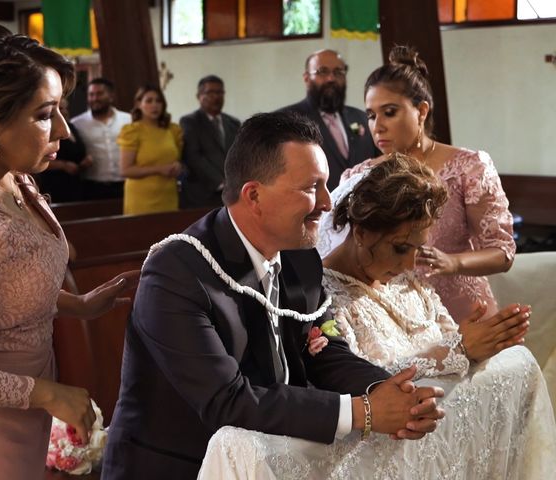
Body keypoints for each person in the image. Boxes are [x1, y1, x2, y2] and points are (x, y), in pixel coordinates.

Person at [102, 112, 445, 480]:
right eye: (312, 187)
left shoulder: (301, 258)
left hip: (272, 459)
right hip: (181, 468)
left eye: (326, 185)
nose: (327, 203)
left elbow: (326, 352)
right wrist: (364, 412)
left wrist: (389, 392)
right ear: (254, 195)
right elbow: (227, 400)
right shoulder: (176, 272)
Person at [0, 17, 138, 480]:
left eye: (60, 110)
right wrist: (49, 394)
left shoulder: (11, 176)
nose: (64, 130)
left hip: (16, 412)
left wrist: (73, 305)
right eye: (44, 114)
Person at [303, 154, 555, 478]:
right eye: (399, 248)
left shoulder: (407, 281)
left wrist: (474, 341)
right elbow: (364, 386)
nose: (410, 265)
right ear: (362, 232)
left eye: (417, 249)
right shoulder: (321, 297)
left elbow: (449, 339)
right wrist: (458, 350)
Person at [320, 45, 515, 322]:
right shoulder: (357, 176)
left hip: (463, 314)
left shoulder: (469, 167)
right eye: (372, 115)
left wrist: (453, 262)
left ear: (421, 111)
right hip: (393, 323)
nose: (378, 126)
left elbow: (503, 252)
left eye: (389, 112)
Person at [278, 49, 378, 190]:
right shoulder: (286, 121)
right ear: (306, 78)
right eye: (322, 72)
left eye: (338, 72)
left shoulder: (363, 118)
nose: (331, 79)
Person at [117, 85, 183, 215]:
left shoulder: (172, 130)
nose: (155, 105)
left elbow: (176, 158)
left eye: (158, 101)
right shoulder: (132, 131)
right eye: (149, 101)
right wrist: (159, 169)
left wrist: (178, 166)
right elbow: (125, 170)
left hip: (168, 195)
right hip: (141, 198)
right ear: (139, 104)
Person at [179, 75, 241, 208]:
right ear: (199, 96)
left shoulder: (233, 123)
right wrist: (221, 182)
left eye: (220, 92)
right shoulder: (190, 122)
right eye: (210, 92)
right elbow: (194, 157)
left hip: (231, 195)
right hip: (202, 194)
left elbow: (240, 155)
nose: (216, 97)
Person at [72, 78, 131, 200]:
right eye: (91, 95)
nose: (94, 98)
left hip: (126, 184)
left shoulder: (128, 120)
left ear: (111, 96)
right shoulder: (77, 124)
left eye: (99, 94)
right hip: (92, 187)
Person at [35, 98, 92, 203]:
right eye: (60, 108)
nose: (65, 111)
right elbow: (37, 159)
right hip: (55, 183)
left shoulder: (71, 127)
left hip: (75, 183)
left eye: (65, 108)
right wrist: (64, 165)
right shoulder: (46, 130)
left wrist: (84, 161)